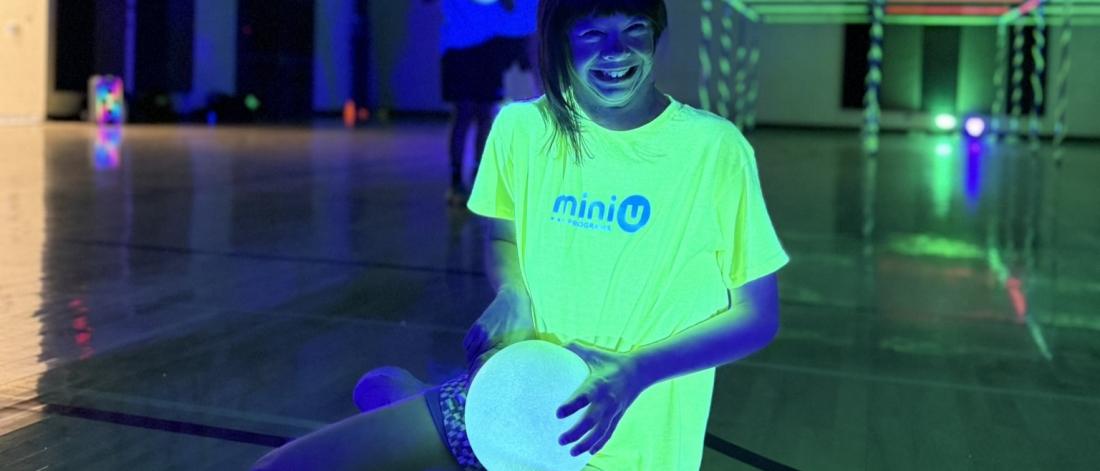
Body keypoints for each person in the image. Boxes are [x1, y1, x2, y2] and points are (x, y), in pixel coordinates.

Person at [252, 0, 788, 469]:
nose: (616, 51)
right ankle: (424, 403)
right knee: (281, 464)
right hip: (515, 401)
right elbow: (503, 239)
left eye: (634, 29)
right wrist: (514, 291)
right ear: (559, 39)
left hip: (631, 443)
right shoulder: (520, 129)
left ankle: (412, 398)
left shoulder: (715, 150)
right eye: (592, 33)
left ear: (657, 33)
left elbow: (757, 317)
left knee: (381, 392)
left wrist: (635, 373)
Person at [426, 0, 539, 206]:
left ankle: (480, 177)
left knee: (485, 113)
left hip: (490, 45)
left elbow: (511, 7)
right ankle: (457, 181)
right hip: (458, 47)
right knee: (464, 112)